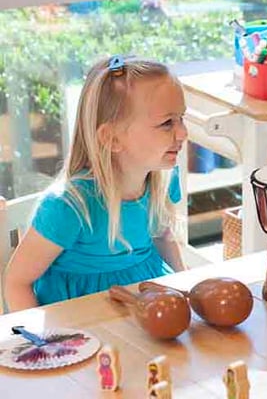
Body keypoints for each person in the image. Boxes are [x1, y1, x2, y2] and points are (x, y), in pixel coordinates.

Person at [3, 56, 188, 311]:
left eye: (181, 118)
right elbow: (17, 282)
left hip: (147, 307)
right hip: (82, 322)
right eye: (167, 123)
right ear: (111, 139)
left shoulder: (163, 178)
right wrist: (42, 343)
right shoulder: (68, 207)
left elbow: (164, 239)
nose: (183, 133)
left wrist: (187, 289)